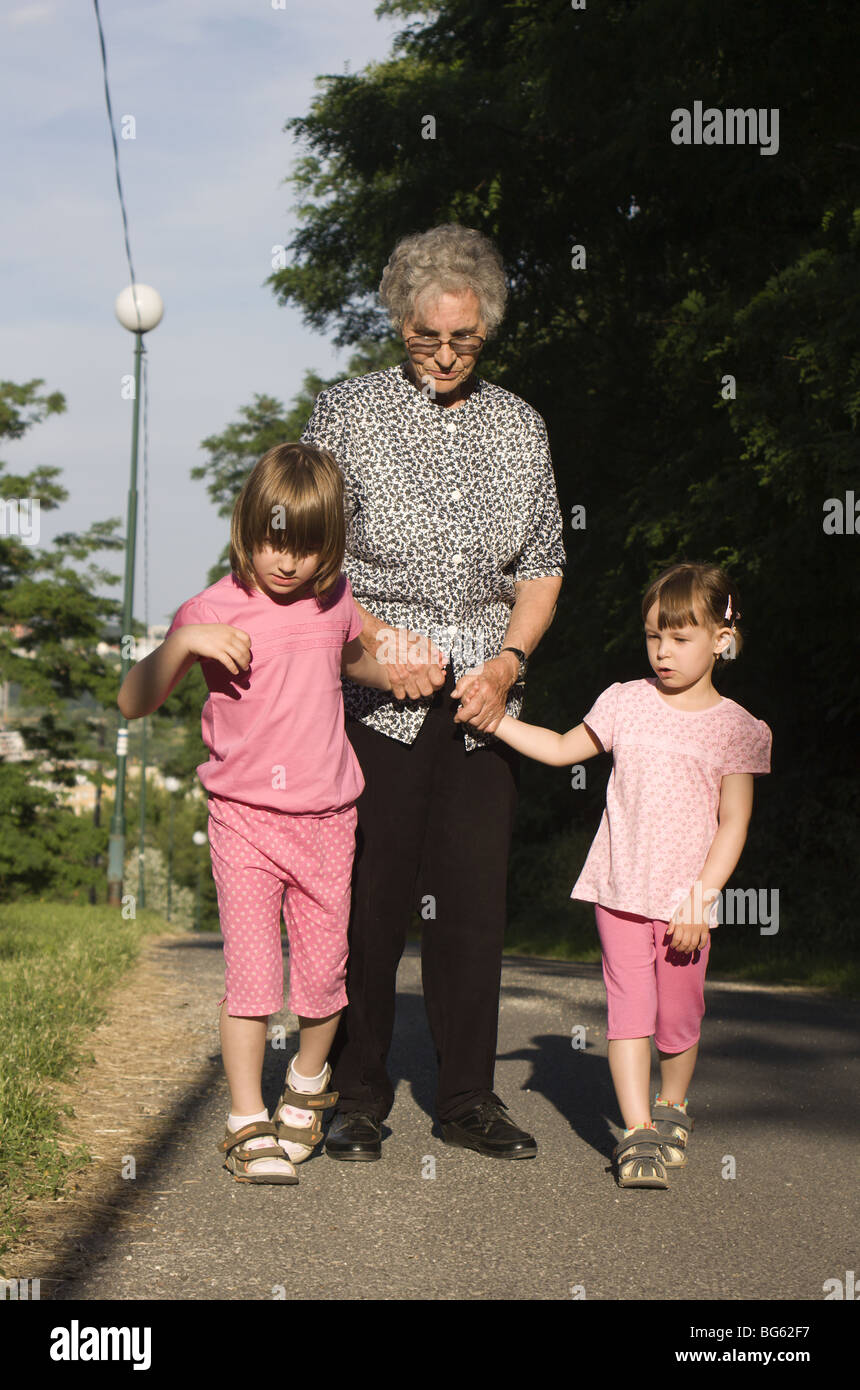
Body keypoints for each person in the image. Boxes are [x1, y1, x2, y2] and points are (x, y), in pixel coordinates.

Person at [300, 223, 566, 1160]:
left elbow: (541, 568)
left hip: (482, 705)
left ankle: (466, 1099)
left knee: (470, 904)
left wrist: (508, 663)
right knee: (370, 900)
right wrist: (372, 655)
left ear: (485, 329)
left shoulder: (519, 425)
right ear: (397, 322)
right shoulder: (344, 415)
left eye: (465, 339)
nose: (446, 356)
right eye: (427, 337)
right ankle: (359, 1094)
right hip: (373, 698)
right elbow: (307, 563)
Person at [117, 444, 391, 1184]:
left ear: (330, 546)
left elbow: (356, 656)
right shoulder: (209, 610)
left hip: (330, 819)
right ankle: (245, 1118)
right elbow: (132, 700)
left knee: (324, 977)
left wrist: (404, 671)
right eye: (274, 541)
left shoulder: (332, 600)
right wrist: (182, 644)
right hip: (244, 820)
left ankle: (304, 1087)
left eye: (307, 547)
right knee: (251, 979)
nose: (288, 563)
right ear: (245, 527)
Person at [487, 562, 772, 1188]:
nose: (663, 652)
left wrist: (700, 900)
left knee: (678, 1019)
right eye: (653, 637)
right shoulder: (624, 700)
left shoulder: (738, 728)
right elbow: (564, 749)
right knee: (630, 1014)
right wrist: (494, 721)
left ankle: (672, 1105)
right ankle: (637, 1133)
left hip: (685, 905)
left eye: (681, 637)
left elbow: (733, 824)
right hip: (617, 890)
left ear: (721, 640)